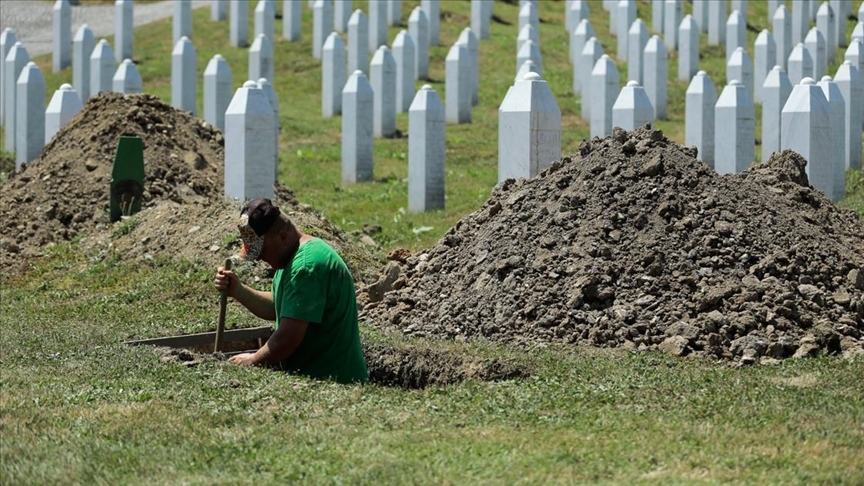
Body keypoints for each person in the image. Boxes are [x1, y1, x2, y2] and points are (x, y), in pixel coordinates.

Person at [214, 198, 368, 384]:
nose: (260, 258)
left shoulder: (305, 267)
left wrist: (253, 360)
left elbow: (288, 337)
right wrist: (238, 290)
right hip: (318, 378)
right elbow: (280, 307)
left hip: (334, 380)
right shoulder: (291, 259)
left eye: (262, 250)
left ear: (282, 236)